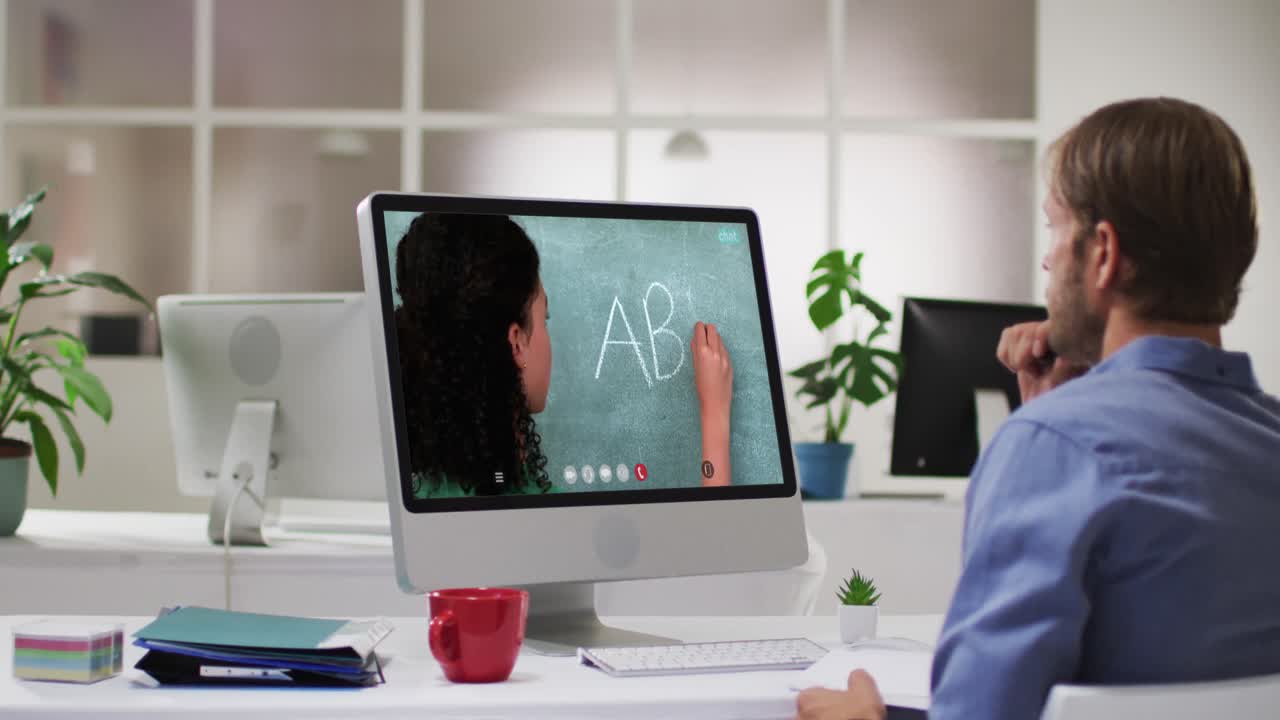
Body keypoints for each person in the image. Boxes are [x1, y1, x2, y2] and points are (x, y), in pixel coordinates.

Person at [796, 96, 1280, 720]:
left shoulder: (1054, 447)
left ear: (1103, 253)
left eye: (1056, 228)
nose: (1049, 258)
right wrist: (1053, 417)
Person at [394, 212, 735, 498]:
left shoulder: (423, 492)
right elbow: (718, 554)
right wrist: (715, 416)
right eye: (545, 319)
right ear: (517, 343)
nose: (548, 334)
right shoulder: (526, 511)